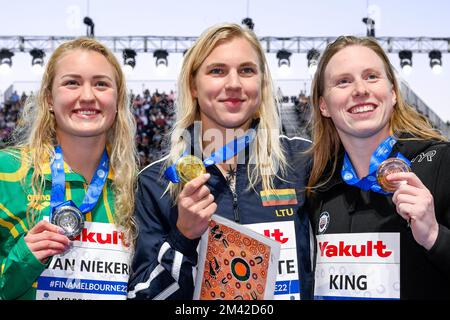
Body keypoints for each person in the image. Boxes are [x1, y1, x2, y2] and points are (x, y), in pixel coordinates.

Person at [127, 23, 313, 300]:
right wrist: (183, 237)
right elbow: (143, 296)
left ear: (261, 83)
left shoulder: (302, 161)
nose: (234, 83)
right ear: (193, 85)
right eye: (217, 71)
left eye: (247, 70)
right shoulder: (157, 181)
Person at [307, 35, 450, 299]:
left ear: (393, 92)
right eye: (343, 81)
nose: (360, 89)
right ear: (323, 105)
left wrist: (434, 236)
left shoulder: (442, 163)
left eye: (372, 76)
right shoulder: (319, 189)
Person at [0, 38, 138, 300]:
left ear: (117, 99)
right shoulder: (6, 172)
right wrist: (23, 259)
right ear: (50, 98)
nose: (87, 96)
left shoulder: (133, 187)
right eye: (72, 82)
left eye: (101, 84)